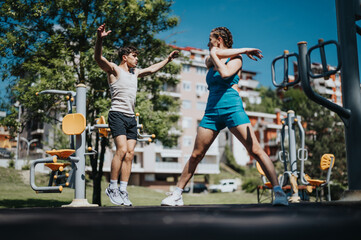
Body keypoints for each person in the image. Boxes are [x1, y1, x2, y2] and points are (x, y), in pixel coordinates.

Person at [161, 27, 288, 206]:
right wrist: (222, 51)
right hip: (212, 112)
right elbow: (211, 59)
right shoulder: (210, 58)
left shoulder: (236, 59)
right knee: (196, 154)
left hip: (232, 108)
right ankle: (177, 195)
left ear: (218, 39)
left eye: (210, 39)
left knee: (256, 150)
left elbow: (226, 73)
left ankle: (279, 192)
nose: (207, 43)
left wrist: (237, 52)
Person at [95, 23, 179, 206]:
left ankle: (123, 190)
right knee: (122, 150)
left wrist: (168, 59)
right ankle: (112, 186)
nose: (137, 59)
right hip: (117, 114)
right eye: (134, 56)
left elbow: (152, 69)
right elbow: (98, 58)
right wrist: (99, 40)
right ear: (125, 57)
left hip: (130, 117)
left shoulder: (135, 73)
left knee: (131, 153)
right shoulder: (114, 70)